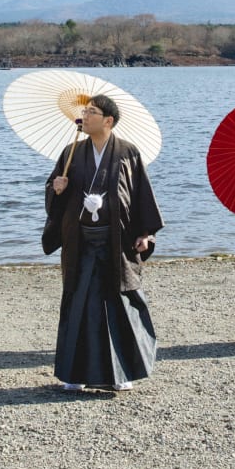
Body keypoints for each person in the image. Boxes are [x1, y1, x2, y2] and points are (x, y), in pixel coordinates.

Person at [43, 93, 164, 391]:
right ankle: (74, 374)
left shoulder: (127, 153)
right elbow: (53, 192)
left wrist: (145, 233)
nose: (85, 115)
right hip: (81, 241)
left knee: (118, 303)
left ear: (108, 120)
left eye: (92, 111)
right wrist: (56, 188)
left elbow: (140, 196)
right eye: (84, 111)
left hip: (116, 241)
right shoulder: (72, 151)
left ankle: (120, 373)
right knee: (79, 302)